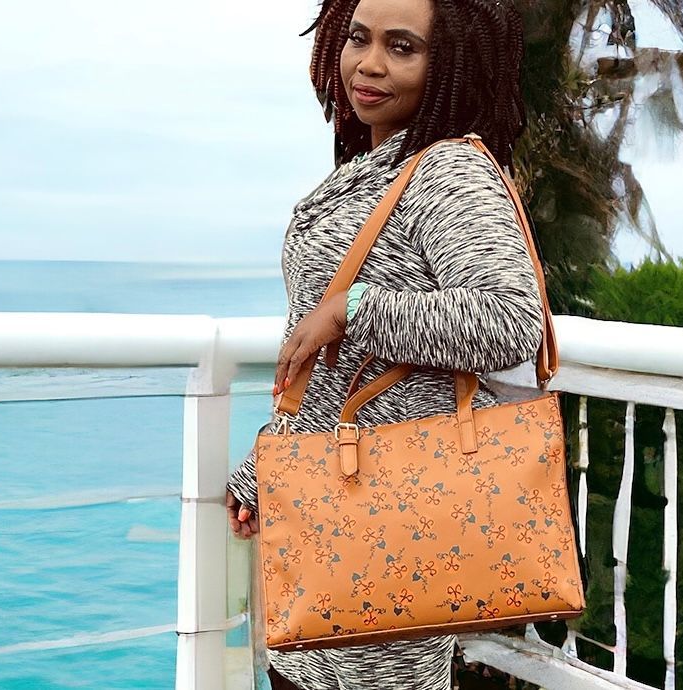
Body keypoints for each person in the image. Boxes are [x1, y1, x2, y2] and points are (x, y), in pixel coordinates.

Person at [224, 0, 541, 687]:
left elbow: (511, 319)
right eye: (358, 38)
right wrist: (266, 465)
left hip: (393, 519)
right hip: (327, 509)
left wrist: (354, 308)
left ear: (451, 61)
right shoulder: (367, 173)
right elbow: (325, 367)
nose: (369, 64)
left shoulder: (448, 174)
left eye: (402, 47)